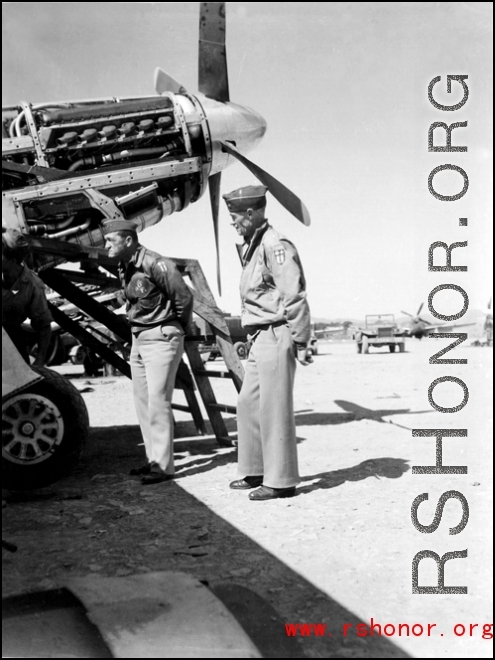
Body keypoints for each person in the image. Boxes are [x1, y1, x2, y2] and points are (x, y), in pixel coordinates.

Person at [223, 185, 313, 501]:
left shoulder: (275, 245)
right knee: (248, 404)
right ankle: (255, 470)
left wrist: (302, 340)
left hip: (277, 333)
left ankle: (281, 481)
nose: (232, 223)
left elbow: (293, 293)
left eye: (235, 217)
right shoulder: (254, 245)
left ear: (251, 212)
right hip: (260, 336)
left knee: (274, 409)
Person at [103, 219, 194, 485]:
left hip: (161, 335)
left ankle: (164, 466)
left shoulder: (156, 263)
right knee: (143, 401)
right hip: (139, 337)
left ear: (128, 241)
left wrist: (174, 327)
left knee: (158, 401)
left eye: (111, 241)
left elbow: (183, 297)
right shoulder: (125, 265)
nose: (106, 245)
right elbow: (135, 295)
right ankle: (153, 459)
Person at [2, 228, 53, 366]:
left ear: (13, 258)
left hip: (13, 344)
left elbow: (43, 325)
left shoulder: (33, 285)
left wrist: (40, 360)